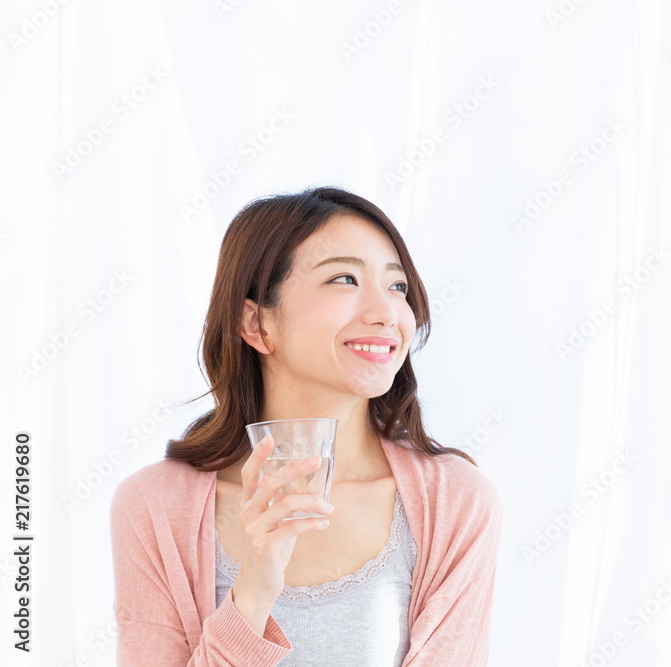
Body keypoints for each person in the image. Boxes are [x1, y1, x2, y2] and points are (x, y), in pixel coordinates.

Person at [109, 186, 503, 666]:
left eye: (397, 287)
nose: (387, 314)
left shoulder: (457, 503)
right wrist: (252, 594)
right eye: (344, 279)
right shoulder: (154, 507)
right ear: (255, 324)